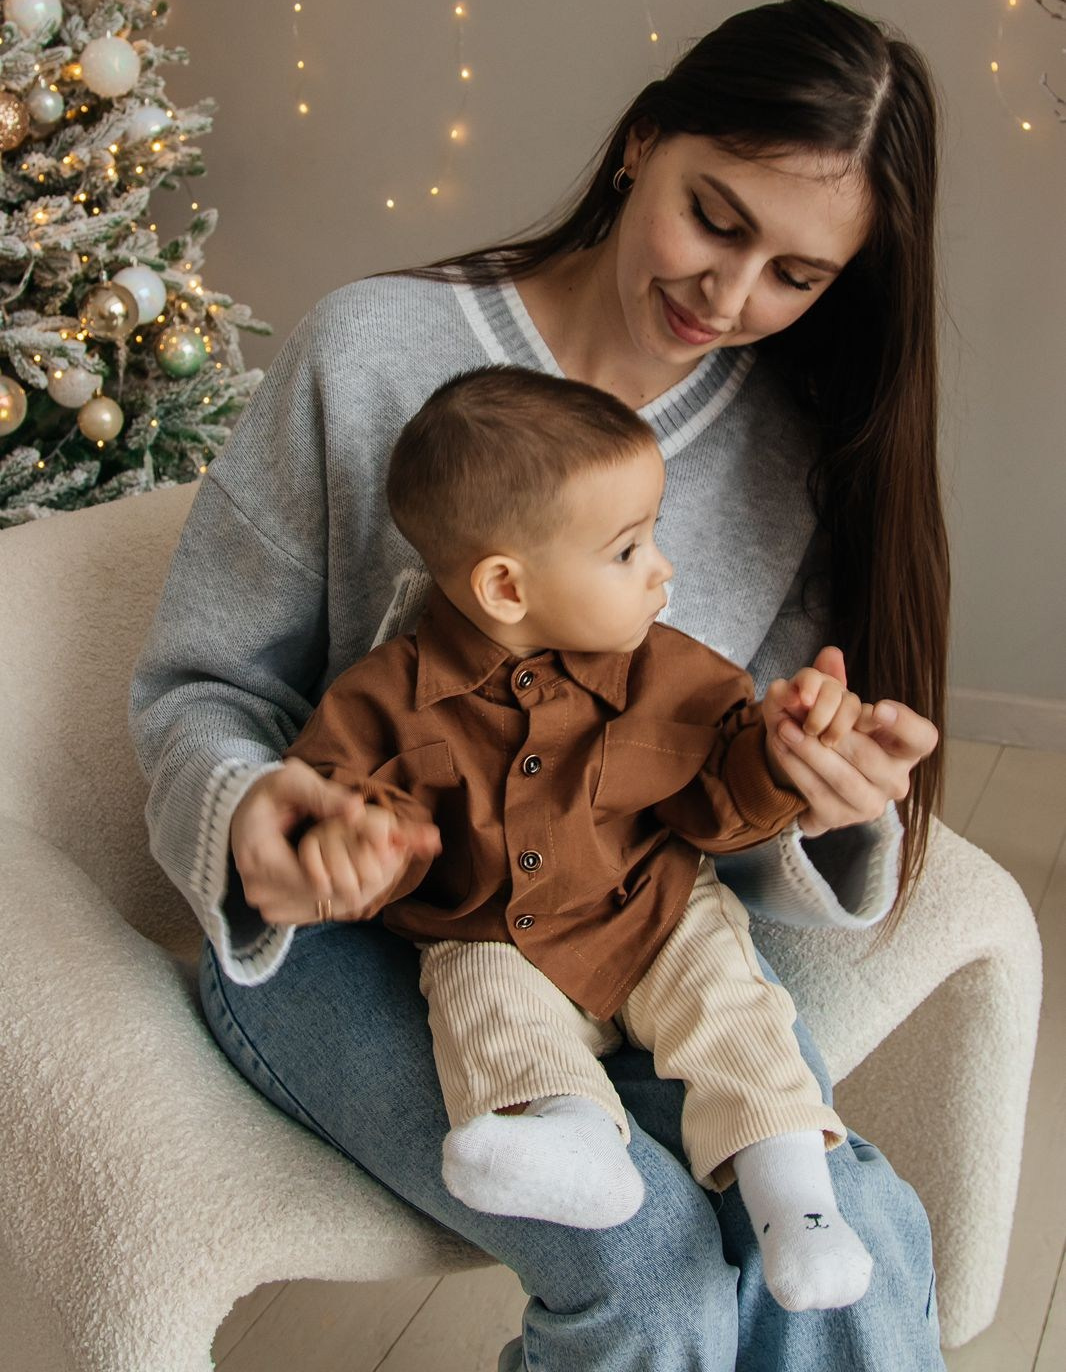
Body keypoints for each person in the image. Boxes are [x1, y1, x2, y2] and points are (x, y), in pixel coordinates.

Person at [130, 0, 949, 1371]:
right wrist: (256, 830)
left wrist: (823, 794)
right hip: (360, 941)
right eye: (717, 218)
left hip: (626, 922)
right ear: (640, 143)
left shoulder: (790, 456)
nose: (731, 297)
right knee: (647, 1276)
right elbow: (202, 689)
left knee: (846, 1240)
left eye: (796, 277)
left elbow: (712, 804)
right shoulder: (370, 353)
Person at [285, 363, 897, 1313]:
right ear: (505, 586)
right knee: (482, 1008)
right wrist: (352, 846)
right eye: (629, 549)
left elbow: (716, 790)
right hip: (494, 933)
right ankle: (569, 1134)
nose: (665, 567)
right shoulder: (380, 699)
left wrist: (784, 755)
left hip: (651, 909)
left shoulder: (670, 671)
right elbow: (335, 810)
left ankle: (796, 1200)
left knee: (730, 1007)